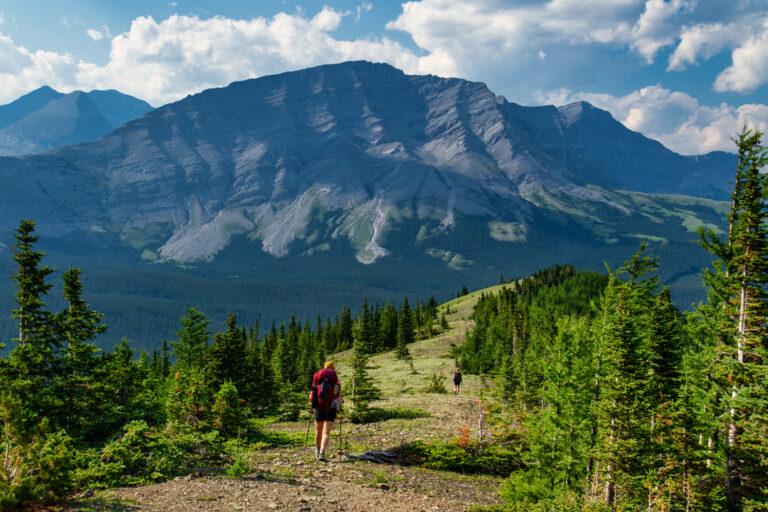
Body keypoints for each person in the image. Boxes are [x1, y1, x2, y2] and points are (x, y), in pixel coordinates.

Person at [310, 361, 342, 461]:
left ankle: (317, 450)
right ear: (333, 368)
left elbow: (312, 393)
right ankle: (322, 454)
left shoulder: (317, 378)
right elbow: (339, 395)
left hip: (318, 407)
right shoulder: (336, 380)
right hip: (331, 408)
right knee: (326, 433)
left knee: (318, 430)